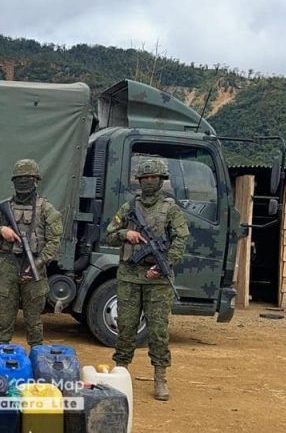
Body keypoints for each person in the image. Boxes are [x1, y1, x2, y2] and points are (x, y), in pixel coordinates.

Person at [105, 158, 190, 401]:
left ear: (161, 181)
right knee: (126, 328)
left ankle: (160, 378)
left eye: (154, 178)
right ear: (139, 181)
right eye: (146, 178)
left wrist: (163, 266)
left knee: (158, 331)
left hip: (158, 280)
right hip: (130, 277)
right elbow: (110, 235)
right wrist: (126, 233)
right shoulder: (128, 207)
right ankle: (121, 372)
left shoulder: (170, 209)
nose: (150, 182)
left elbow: (181, 241)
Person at [0, 159, 63, 347]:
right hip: (8, 265)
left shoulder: (46, 209)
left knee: (34, 323)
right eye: (20, 178)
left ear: (36, 181)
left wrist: (38, 262)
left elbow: (54, 242)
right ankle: (1, 359)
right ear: (13, 181)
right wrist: (1, 231)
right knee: (4, 321)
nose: (24, 182)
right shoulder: (2, 207)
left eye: (28, 178)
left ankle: (37, 361)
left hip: (34, 266)